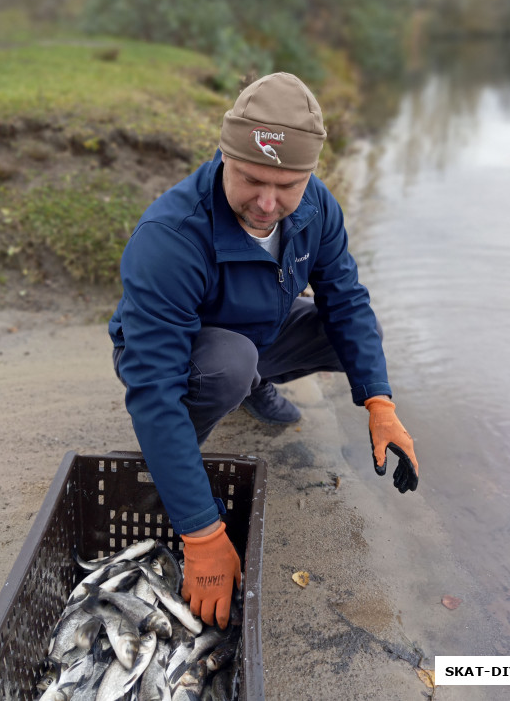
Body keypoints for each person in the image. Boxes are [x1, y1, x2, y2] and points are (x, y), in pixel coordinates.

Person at [109, 72, 419, 630]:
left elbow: (346, 299)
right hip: (182, 356)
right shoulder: (169, 237)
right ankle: (179, 458)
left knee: (351, 332)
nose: (268, 203)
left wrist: (379, 401)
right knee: (227, 365)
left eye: (288, 185)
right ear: (224, 156)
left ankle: (252, 384)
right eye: (251, 179)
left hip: (261, 332)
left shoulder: (317, 207)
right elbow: (152, 389)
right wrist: (202, 532)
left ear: (310, 175)